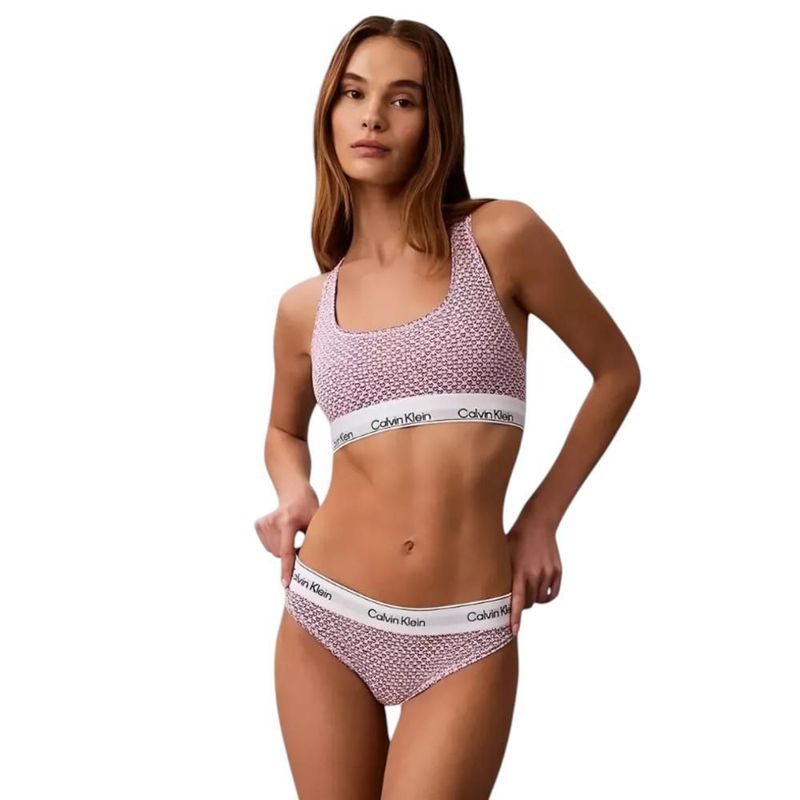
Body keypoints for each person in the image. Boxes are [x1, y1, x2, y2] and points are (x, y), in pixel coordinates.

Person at [254, 16, 641, 800]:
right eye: (354, 94)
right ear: (328, 113)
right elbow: (284, 429)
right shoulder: (305, 306)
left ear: (437, 121)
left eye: (402, 99)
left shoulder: (501, 239)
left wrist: (541, 519)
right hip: (326, 618)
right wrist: (293, 490)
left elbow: (616, 372)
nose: (372, 116)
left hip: (464, 631)